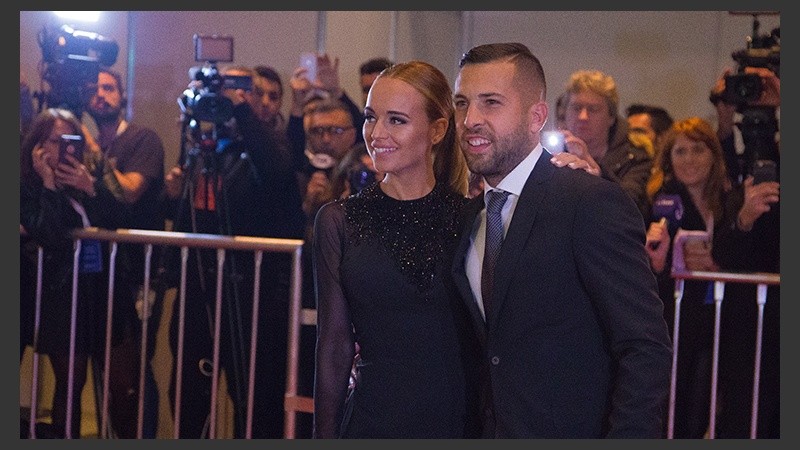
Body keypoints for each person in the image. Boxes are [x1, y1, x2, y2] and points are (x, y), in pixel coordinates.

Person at [450, 42, 673, 438]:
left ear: (536, 117)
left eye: (491, 103)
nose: (470, 120)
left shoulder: (588, 201)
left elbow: (644, 345)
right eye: (462, 103)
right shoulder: (469, 215)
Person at [312, 60, 479, 438]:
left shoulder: (472, 218)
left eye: (397, 120)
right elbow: (334, 345)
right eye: (371, 117)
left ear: (437, 130)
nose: (377, 133)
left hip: (457, 424)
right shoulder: (338, 222)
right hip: (373, 423)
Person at [163, 64, 305, 438]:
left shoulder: (275, 146)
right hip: (201, 288)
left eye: (260, 94)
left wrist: (240, 111)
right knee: (189, 395)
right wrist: (175, 193)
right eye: (246, 92)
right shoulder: (205, 148)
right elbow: (192, 218)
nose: (256, 100)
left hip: (253, 293)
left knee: (253, 401)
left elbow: (277, 172)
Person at [20, 108, 140, 438]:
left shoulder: (93, 172)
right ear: (38, 145)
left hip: (104, 289)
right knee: (70, 384)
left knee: (124, 385)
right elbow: (49, 233)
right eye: (54, 141)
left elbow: (122, 217)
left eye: (69, 140)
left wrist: (91, 188)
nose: (63, 149)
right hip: (62, 295)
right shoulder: (28, 184)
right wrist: (48, 184)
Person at [83, 67, 165, 438]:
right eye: (93, 89)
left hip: (137, 273)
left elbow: (130, 192)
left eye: (109, 88)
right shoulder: (76, 143)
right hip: (95, 271)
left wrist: (92, 151)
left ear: (123, 95)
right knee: (103, 365)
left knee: (133, 369)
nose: (101, 95)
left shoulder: (143, 139)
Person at [642, 117, 732, 438]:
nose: (689, 159)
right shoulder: (660, 202)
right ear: (668, 159)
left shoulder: (730, 203)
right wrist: (660, 261)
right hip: (675, 320)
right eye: (680, 151)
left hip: (722, 319)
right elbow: (649, 267)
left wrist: (720, 264)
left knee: (709, 408)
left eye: (698, 150)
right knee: (677, 408)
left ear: (714, 156)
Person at [559, 69, 654, 222]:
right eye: (576, 108)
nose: (583, 116)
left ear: (611, 117)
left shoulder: (635, 158)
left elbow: (631, 209)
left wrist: (598, 174)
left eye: (593, 109)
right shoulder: (550, 153)